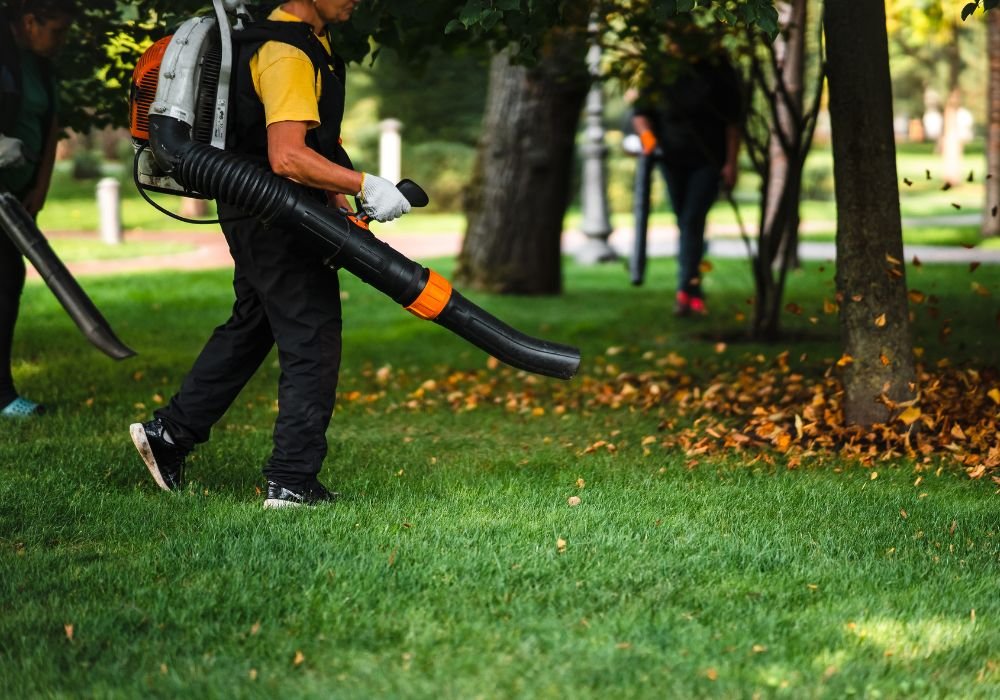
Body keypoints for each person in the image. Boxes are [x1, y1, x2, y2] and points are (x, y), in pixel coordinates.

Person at [129, 0, 411, 508]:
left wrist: (341, 204)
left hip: (263, 208)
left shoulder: (306, 42)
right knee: (313, 333)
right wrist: (368, 183)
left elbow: (314, 142)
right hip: (272, 212)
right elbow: (287, 155)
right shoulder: (286, 52)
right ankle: (292, 481)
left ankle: (169, 435)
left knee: (253, 322)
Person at [630, 25, 742, 317]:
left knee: (692, 220)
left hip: (708, 160)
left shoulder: (717, 70)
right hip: (671, 159)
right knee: (686, 221)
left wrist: (731, 163)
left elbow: (733, 122)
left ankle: (686, 292)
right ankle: (693, 288)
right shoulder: (660, 71)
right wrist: (648, 139)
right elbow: (641, 113)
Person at [0, 0, 74, 417]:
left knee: (7, 285)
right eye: (57, 31)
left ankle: (3, 396)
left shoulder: (40, 66)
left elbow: (50, 126)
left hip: (15, 203)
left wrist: (40, 187)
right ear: (30, 22)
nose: (61, 41)